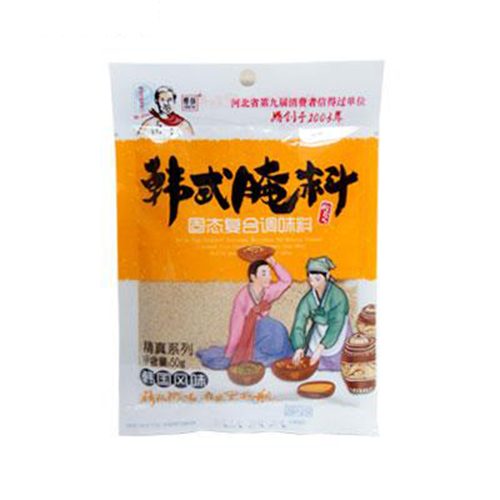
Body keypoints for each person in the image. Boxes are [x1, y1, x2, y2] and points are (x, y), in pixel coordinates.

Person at [197, 256, 294, 369]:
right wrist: (230, 352)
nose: (269, 277)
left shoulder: (268, 291)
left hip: (266, 331)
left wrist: (274, 264)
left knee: (278, 329)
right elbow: (236, 325)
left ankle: (276, 354)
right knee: (270, 332)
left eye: (269, 273)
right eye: (264, 274)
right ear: (253, 277)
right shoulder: (243, 296)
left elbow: (287, 281)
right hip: (249, 335)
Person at [290, 256, 351, 370]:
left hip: (338, 331)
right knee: (313, 365)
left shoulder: (338, 296)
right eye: (311, 280)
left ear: (327, 276)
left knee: (339, 366)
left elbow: (336, 323)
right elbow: (299, 323)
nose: (313, 284)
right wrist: (299, 348)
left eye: (317, 279)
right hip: (318, 331)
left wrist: (321, 347)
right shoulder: (308, 298)